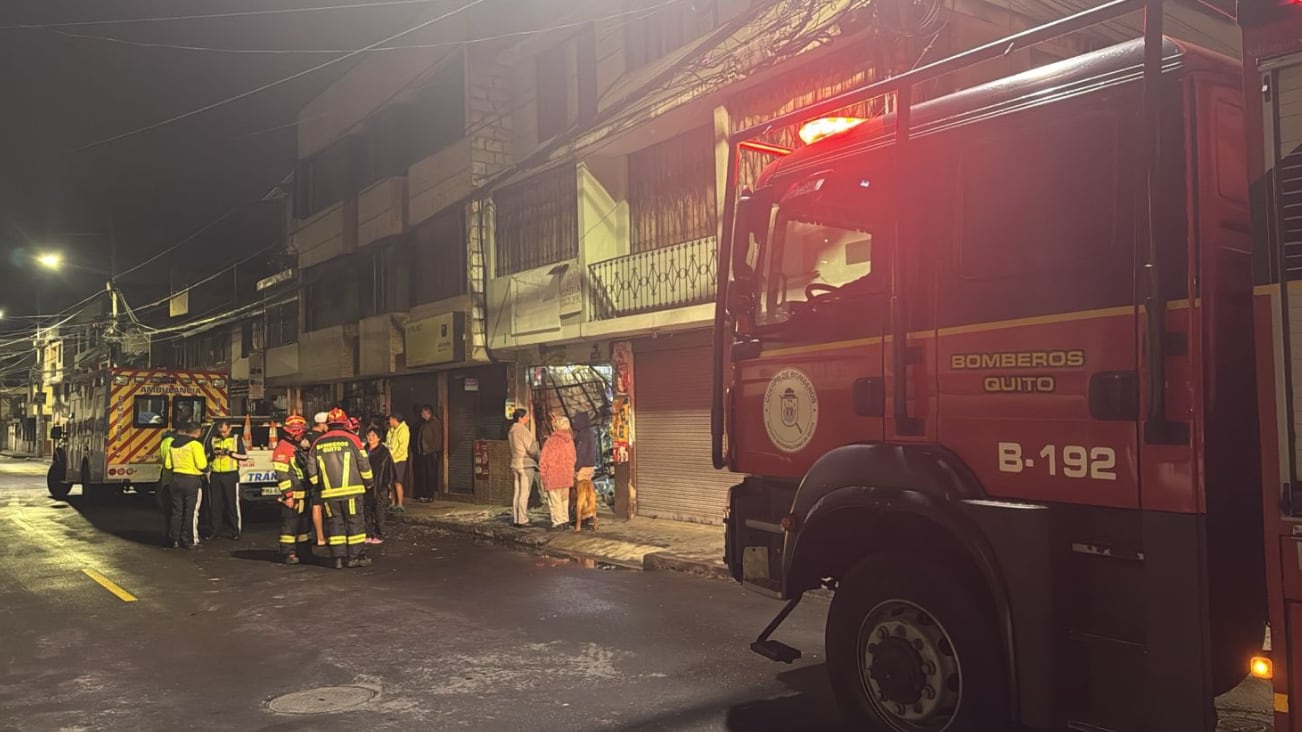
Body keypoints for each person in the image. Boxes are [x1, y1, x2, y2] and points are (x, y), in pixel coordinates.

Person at [305, 407, 374, 569]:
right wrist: (369, 482)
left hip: (329, 493)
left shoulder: (318, 443)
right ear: (345, 422)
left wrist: (317, 484)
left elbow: (312, 470)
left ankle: (338, 558)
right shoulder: (353, 439)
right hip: (352, 490)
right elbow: (363, 464)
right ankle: (354, 558)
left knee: (335, 523)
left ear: (328, 423)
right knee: (355, 522)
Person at [272, 415, 313, 565]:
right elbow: (282, 475)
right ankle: (287, 552)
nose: (303, 434)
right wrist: (288, 495)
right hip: (293, 495)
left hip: (304, 493)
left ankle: (304, 551)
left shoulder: (298, 446)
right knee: (290, 525)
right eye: (301, 432)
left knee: (304, 526)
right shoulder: (283, 448)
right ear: (294, 432)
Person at [167, 422, 208, 550]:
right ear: (198, 432)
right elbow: (202, 465)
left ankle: (174, 540)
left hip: (175, 479)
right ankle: (188, 540)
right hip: (191, 480)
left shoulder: (172, 444)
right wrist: (207, 468)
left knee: (176, 511)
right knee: (190, 511)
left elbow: (168, 465)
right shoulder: (195, 445)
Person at [206, 421, 247, 540]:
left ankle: (235, 531)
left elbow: (244, 456)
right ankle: (215, 530)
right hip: (216, 474)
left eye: (224, 431)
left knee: (232, 504)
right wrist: (214, 454)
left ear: (229, 429)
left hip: (230, 475)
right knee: (215, 505)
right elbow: (207, 456)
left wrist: (230, 453)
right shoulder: (213, 439)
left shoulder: (236, 438)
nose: (222, 434)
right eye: (220, 432)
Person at [538, 415, 576, 531]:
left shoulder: (550, 441)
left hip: (553, 475)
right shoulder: (569, 441)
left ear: (555, 427)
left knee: (555, 500)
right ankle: (565, 520)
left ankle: (558, 522)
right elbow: (573, 458)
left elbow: (543, 461)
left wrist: (543, 476)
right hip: (566, 475)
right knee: (565, 499)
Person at [508, 409, 539, 528]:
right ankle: (522, 519)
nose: (528, 418)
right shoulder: (522, 430)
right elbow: (532, 449)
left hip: (515, 463)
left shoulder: (511, 430)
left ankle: (516, 518)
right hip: (525, 464)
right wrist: (539, 458)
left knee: (517, 492)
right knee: (524, 493)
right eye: (526, 416)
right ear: (520, 418)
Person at [364, 426, 394, 544]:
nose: (370, 438)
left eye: (373, 436)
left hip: (380, 485)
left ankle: (379, 534)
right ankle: (368, 533)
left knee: (379, 510)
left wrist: (387, 485)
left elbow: (388, 470)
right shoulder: (364, 450)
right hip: (366, 485)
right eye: (369, 435)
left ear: (379, 438)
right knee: (366, 509)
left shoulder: (384, 452)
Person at [309, 412, 330, 548]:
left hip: (308, 476)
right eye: (327, 424)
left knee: (313, 507)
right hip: (321, 477)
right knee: (320, 506)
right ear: (322, 424)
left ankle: (317, 537)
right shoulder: (322, 439)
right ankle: (322, 537)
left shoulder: (305, 436)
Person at [415, 404, 443, 501]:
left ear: (427, 413)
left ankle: (430, 495)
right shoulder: (424, 423)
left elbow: (437, 438)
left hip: (431, 452)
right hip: (424, 452)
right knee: (424, 474)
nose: (421, 414)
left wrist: (434, 450)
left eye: (423, 412)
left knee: (430, 474)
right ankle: (424, 494)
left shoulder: (434, 423)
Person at [385, 412, 410, 512]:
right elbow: (388, 443)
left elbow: (402, 448)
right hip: (390, 459)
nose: (389, 421)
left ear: (395, 420)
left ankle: (400, 503)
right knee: (391, 482)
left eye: (390, 419)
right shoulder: (391, 430)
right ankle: (393, 502)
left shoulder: (403, 430)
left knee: (398, 481)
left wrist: (393, 457)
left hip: (399, 459)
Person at [157, 428, 177, 547]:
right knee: (176, 510)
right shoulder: (172, 443)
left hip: (165, 480)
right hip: (174, 479)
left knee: (168, 511)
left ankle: (168, 534)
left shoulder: (164, 443)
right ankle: (174, 536)